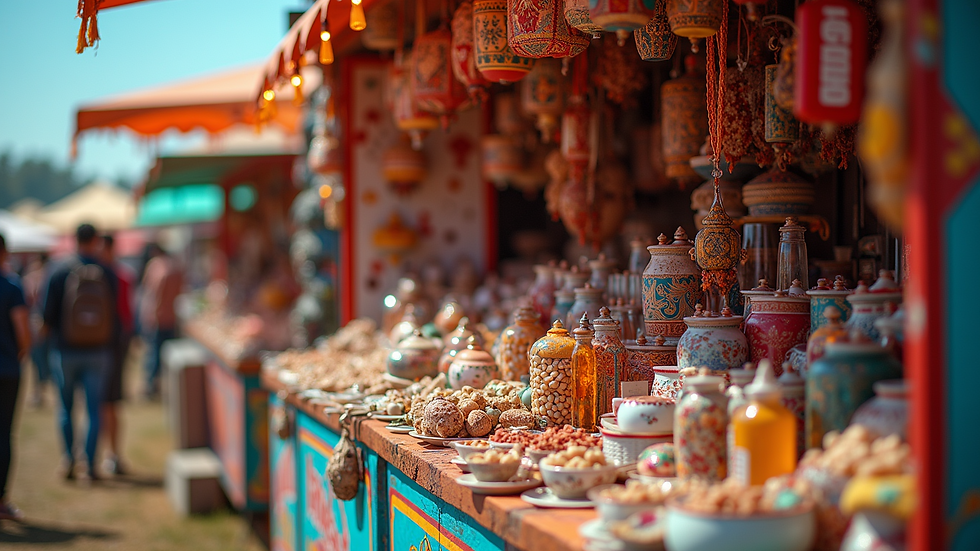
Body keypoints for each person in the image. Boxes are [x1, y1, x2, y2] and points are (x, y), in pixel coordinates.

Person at [42, 224, 118, 481]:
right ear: (95, 240)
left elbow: (46, 315)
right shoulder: (106, 270)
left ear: (74, 239)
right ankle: (90, 465)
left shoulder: (59, 269)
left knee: (65, 408)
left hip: (65, 349)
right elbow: (116, 313)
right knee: (93, 409)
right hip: (98, 350)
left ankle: (69, 460)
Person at [0, 234, 32, 519]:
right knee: (4, 434)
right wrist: (20, 353)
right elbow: (23, 332)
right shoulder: (11, 287)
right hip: (7, 370)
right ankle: (1, 501)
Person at [100, 235, 134, 475]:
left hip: (89, 348)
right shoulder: (121, 276)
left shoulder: (88, 273)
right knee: (110, 404)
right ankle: (112, 455)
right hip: (113, 347)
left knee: (98, 405)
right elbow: (127, 317)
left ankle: (96, 456)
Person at [139, 244, 182, 399]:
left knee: (153, 355)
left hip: (157, 317)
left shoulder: (156, 266)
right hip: (170, 317)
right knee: (166, 355)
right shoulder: (174, 267)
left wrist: (149, 314)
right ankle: (164, 385)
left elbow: (150, 291)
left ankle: (150, 387)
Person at [22, 254, 50, 408]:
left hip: (35, 323)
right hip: (45, 325)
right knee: (44, 360)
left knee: (37, 360)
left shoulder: (32, 279)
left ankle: (38, 394)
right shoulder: (48, 275)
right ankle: (40, 393)